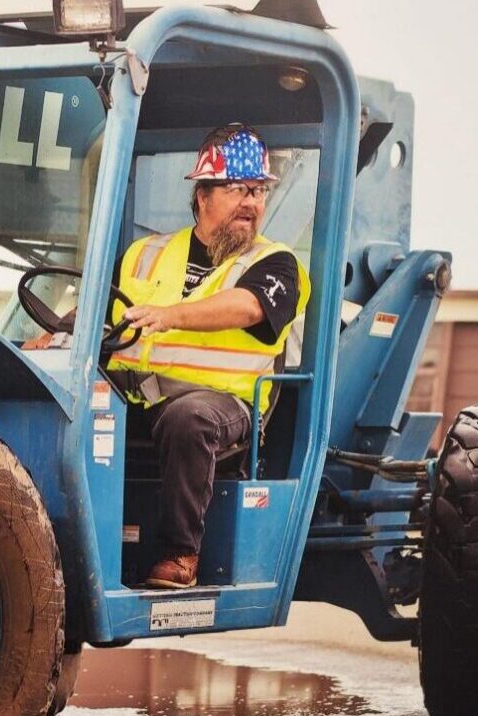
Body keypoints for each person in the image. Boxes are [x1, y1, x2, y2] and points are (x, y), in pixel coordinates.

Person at [106, 123, 311, 588]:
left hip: (224, 407)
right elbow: (104, 307)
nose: (252, 204)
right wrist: (56, 333)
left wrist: (171, 314)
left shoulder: (276, 264)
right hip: (136, 399)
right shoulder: (146, 253)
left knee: (189, 418)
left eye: (259, 192)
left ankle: (181, 555)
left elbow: (247, 306)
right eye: (240, 189)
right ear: (203, 196)